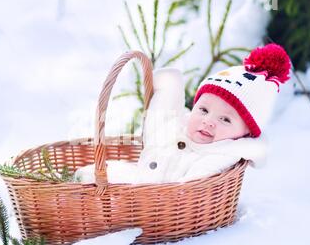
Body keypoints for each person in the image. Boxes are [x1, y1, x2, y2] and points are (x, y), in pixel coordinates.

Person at [74, 43, 291, 183]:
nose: (208, 122)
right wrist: (168, 84)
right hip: (135, 185)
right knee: (95, 174)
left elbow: (189, 190)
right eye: (203, 110)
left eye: (225, 119)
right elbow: (165, 109)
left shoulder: (223, 155)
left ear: (244, 133)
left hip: (163, 206)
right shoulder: (177, 126)